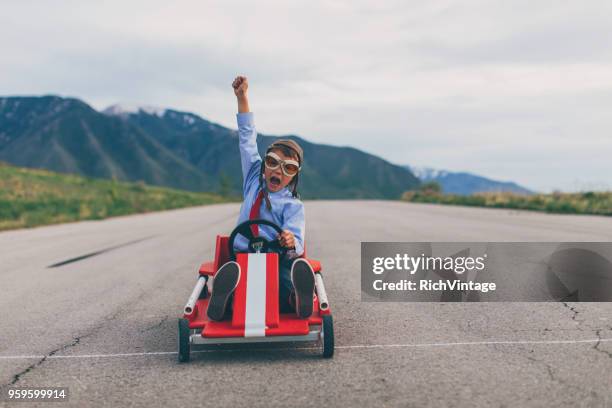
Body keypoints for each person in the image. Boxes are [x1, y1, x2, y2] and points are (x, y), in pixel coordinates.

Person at [206, 75, 315, 321]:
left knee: (282, 279)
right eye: (273, 162)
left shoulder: (293, 206)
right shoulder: (254, 179)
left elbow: (296, 241)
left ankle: (298, 298)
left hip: (275, 260)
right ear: (264, 164)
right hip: (241, 256)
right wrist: (242, 97)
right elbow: (246, 138)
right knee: (238, 277)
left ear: (294, 176)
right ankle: (223, 300)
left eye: (288, 168)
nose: (278, 170)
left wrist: (289, 241)